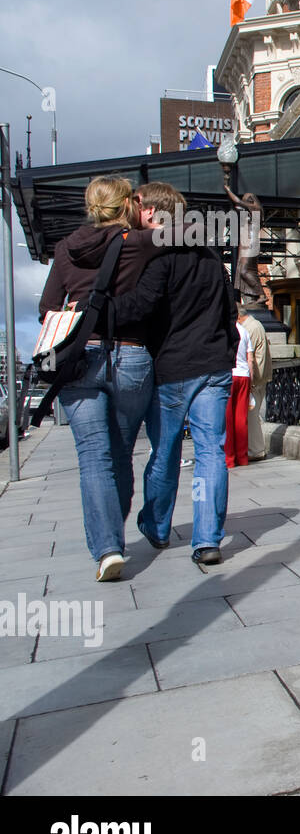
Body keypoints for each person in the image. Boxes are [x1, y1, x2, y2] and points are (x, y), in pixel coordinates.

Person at [111, 182, 239, 567]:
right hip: (214, 365)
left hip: (173, 368)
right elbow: (228, 311)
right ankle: (206, 541)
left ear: (155, 212)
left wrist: (100, 309)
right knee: (210, 452)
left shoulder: (161, 258)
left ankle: (157, 525)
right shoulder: (212, 257)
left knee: (165, 451)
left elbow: (142, 305)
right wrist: (227, 351)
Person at [37, 176, 158, 581]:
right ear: (126, 203)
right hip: (131, 356)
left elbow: (46, 307)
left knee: (94, 457)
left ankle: (107, 548)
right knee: (121, 453)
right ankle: (114, 534)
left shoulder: (66, 249)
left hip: (79, 359)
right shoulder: (140, 243)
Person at [240, 308, 271, 461]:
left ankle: (256, 450)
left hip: (254, 380)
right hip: (259, 378)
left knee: (252, 416)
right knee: (253, 416)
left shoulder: (250, 328)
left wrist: (250, 381)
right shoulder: (254, 325)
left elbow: (250, 357)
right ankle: (255, 448)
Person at [226, 316, 251, 468]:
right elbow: (251, 359)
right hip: (244, 375)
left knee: (227, 419)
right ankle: (242, 457)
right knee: (241, 418)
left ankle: (229, 458)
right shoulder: (244, 331)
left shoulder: (224, 330)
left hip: (229, 374)